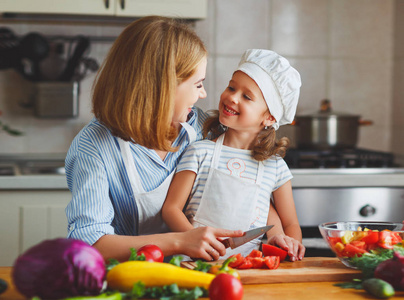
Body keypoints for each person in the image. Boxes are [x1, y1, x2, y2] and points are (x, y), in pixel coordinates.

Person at [64, 15, 246, 262]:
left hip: (197, 276)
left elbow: (245, 174)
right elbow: (91, 243)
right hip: (128, 283)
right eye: (198, 84)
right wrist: (180, 241)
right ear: (164, 87)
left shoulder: (202, 127)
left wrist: (278, 230)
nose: (203, 94)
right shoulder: (94, 146)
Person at [162, 49, 306, 261]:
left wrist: (289, 244)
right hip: (193, 264)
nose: (232, 97)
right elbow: (171, 209)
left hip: (247, 270)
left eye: (246, 96)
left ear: (269, 117)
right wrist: (195, 240)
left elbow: (290, 224)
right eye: (231, 87)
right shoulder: (200, 151)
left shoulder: (274, 167)